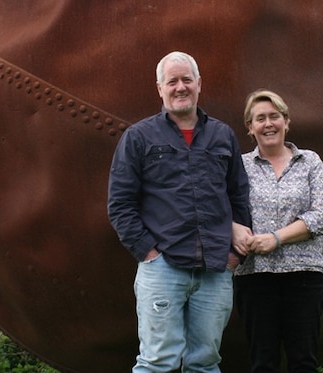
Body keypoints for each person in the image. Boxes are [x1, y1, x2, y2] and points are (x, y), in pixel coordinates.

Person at [107, 50, 252, 372]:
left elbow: (239, 195)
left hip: (215, 271)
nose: (180, 87)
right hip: (163, 268)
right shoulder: (139, 137)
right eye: (172, 81)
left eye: (187, 79)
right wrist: (148, 253)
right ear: (160, 89)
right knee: (157, 362)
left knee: (205, 362)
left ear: (199, 84)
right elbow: (120, 204)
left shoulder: (222, 135)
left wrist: (233, 257)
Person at [235, 89, 323, 372]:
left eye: (274, 117)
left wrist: (276, 239)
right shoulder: (240, 166)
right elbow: (221, 209)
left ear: (286, 121)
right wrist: (234, 231)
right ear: (250, 128)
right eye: (260, 118)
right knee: (262, 362)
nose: (268, 124)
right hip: (255, 276)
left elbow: (322, 216)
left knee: (303, 361)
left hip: (304, 275)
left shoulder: (310, 162)